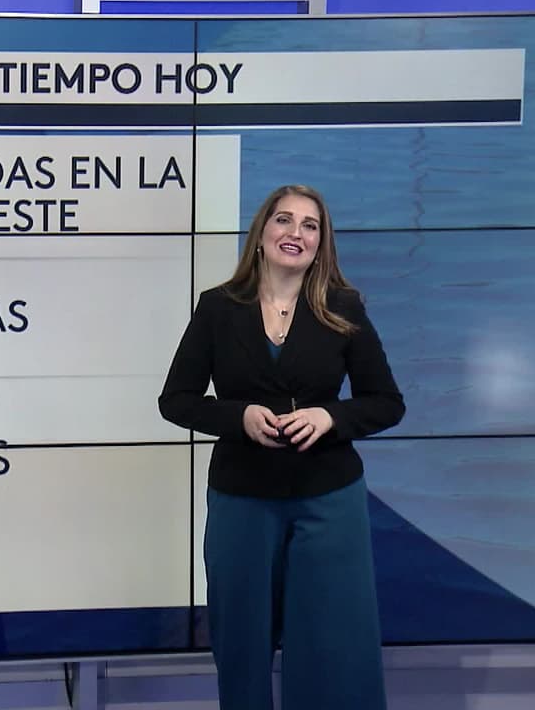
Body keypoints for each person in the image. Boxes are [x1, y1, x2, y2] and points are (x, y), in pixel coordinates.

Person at [158, 185, 405, 710]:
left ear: (321, 242)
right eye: (284, 220)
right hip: (243, 498)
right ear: (262, 233)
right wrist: (239, 417)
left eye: (310, 225)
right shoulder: (218, 308)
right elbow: (175, 400)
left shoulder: (343, 307)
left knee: (332, 648)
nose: (296, 233)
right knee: (241, 643)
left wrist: (330, 417)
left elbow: (386, 403)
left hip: (328, 499)